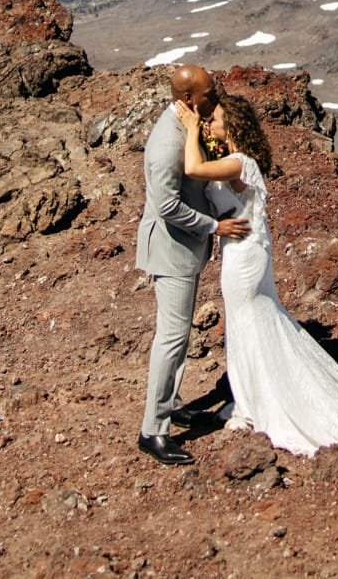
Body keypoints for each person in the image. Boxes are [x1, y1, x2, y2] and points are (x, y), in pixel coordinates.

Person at [181, 92, 338, 457]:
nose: (211, 123)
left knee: (249, 323)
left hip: (244, 257)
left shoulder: (241, 163)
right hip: (240, 253)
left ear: (233, 125)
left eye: (216, 118)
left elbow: (194, 169)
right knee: (248, 325)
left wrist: (191, 128)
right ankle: (253, 397)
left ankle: (262, 401)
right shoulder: (234, 161)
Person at [135, 64, 248, 466]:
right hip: (172, 251)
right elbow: (165, 204)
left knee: (178, 336)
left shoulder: (186, 123)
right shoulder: (167, 142)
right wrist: (214, 226)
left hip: (184, 249)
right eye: (208, 94)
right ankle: (153, 430)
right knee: (172, 338)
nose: (214, 98)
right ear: (187, 99)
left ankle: (172, 404)